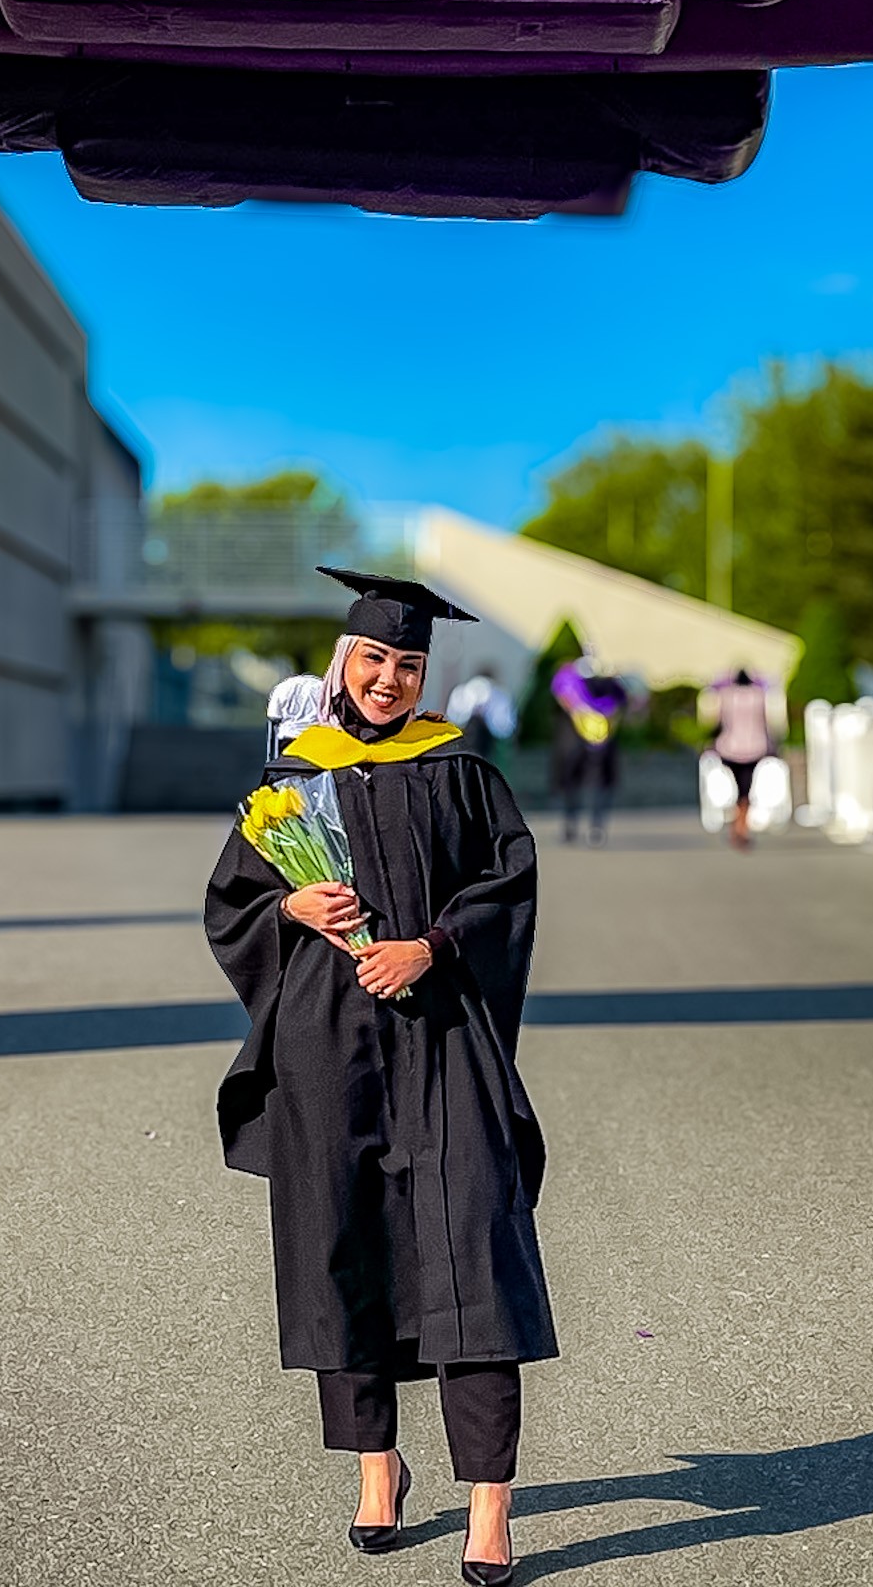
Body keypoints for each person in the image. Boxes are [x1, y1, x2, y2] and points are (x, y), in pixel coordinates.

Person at [205, 569, 557, 1586]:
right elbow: (234, 899)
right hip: (328, 1043)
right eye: (375, 659)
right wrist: (290, 911)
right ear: (342, 662)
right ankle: (376, 1469)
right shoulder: (291, 781)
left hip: (439, 1033)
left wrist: (434, 945)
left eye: (409, 663)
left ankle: (490, 1504)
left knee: (473, 1251)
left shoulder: (458, 771)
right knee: (343, 1248)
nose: (391, 679)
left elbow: (510, 884)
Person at [550, 652, 628, 845]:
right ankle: (595, 827)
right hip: (601, 744)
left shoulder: (567, 684)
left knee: (572, 784)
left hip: (571, 744)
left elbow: (559, 701)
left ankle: (572, 824)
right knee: (598, 785)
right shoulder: (612, 687)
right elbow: (625, 704)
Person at [700, 667, 782, 849]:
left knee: (736, 789)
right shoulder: (759, 695)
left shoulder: (726, 695)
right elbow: (768, 722)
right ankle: (741, 827)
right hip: (754, 747)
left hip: (729, 748)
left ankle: (738, 826)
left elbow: (716, 721)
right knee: (746, 790)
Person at [446, 670, 518, 761]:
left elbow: (506, 728)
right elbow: (454, 719)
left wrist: (486, 716)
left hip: (490, 742)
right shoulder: (461, 692)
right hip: (468, 737)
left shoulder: (500, 696)